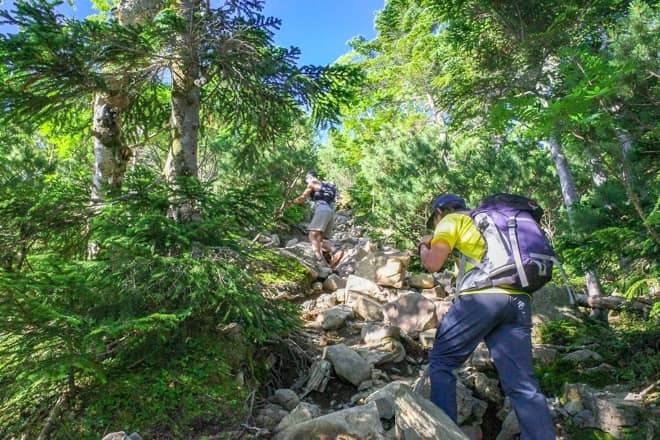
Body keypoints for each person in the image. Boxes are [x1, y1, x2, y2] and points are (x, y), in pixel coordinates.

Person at [418, 194, 556, 440]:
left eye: (435, 219)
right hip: (519, 301)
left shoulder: (452, 221)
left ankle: (444, 434)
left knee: (441, 362)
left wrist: (424, 245)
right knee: (522, 384)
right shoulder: (487, 220)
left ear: (440, 212)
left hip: (481, 300)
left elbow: (432, 264)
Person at [287, 171, 343, 268]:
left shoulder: (312, 182)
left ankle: (323, 257)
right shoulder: (329, 186)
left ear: (309, 178)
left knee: (312, 236)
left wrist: (292, 202)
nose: (307, 183)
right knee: (319, 240)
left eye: (306, 180)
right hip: (331, 212)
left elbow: (302, 198)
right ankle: (326, 264)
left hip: (322, 209)